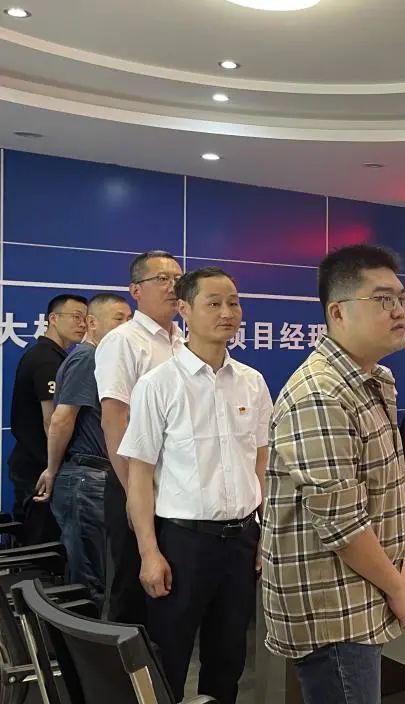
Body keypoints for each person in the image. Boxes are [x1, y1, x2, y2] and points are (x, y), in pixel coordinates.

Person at [262, 244, 405, 704]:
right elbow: (342, 523)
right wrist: (396, 585)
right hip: (334, 607)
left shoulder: (374, 381)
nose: (399, 311)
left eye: (402, 299)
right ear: (338, 311)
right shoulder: (321, 394)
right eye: (383, 299)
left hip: (361, 591)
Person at [120, 267, 271, 704]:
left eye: (234, 303)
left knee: (229, 658)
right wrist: (149, 553)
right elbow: (140, 476)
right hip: (182, 544)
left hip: (241, 541)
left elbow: (261, 463)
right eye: (214, 303)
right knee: (168, 656)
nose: (227, 313)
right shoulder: (158, 384)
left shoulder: (253, 382)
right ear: (184, 309)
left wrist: (262, 533)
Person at [96, 250, 183, 624]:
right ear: (135, 290)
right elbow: (114, 420)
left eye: (178, 278)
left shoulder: (183, 341)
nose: (173, 286)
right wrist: (134, 494)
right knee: (132, 590)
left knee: (168, 590)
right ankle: (124, 663)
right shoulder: (124, 341)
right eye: (162, 279)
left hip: (176, 485)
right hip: (135, 481)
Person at [33, 294, 133, 610]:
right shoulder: (88, 359)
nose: (126, 327)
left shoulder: (103, 359)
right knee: (91, 580)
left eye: (129, 319)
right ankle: (88, 640)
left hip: (96, 479)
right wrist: (52, 469)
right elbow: (61, 419)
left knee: (100, 573)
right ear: (92, 322)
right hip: (86, 480)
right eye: (118, 319)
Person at [8, 293, 88, 544]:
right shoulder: (46, 359)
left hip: (40, 464)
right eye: (76, 317)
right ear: (53, 318)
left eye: (86, 318)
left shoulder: (57, 356)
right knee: (44, 547)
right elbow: (52, 420)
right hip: (40, 467)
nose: (82, 324)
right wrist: (55, 468)